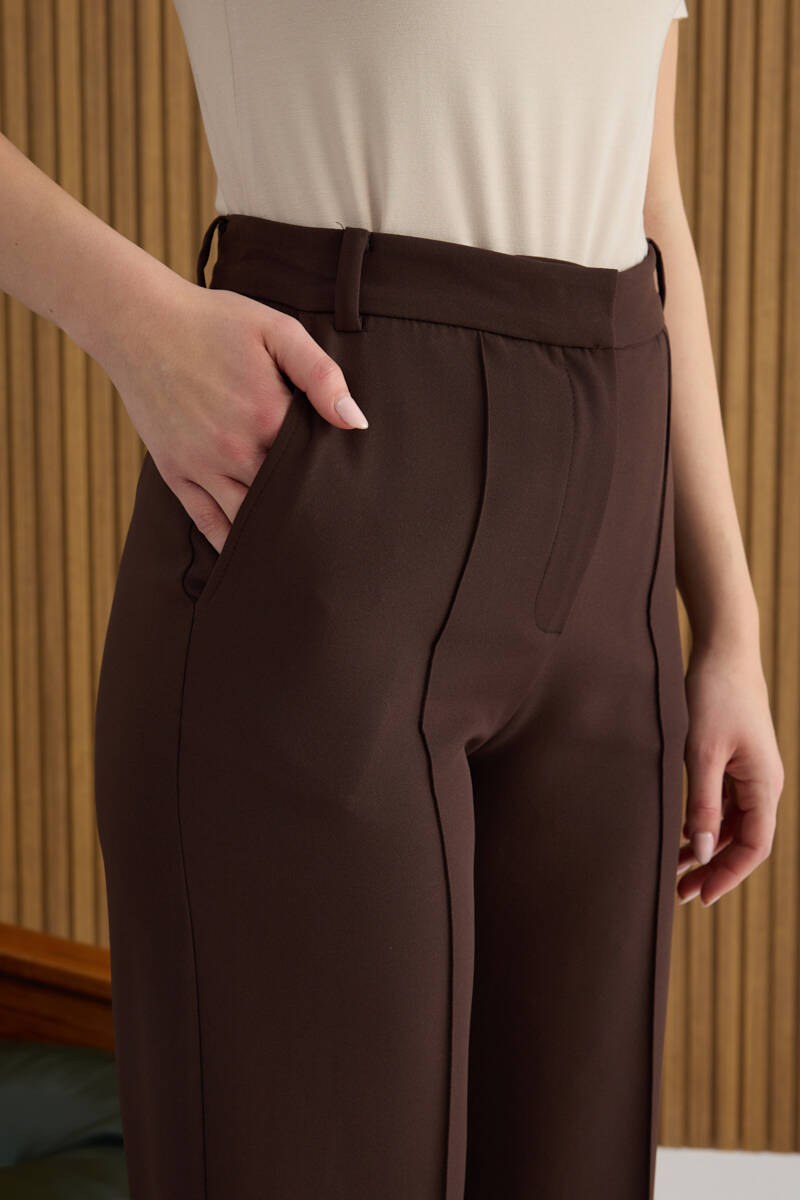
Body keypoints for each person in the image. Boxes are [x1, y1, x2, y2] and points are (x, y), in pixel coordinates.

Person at [0, 2, 784, 1197]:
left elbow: (646, 195)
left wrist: (726, 623)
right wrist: (132, 320)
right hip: (337, 495)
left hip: (612, 543)